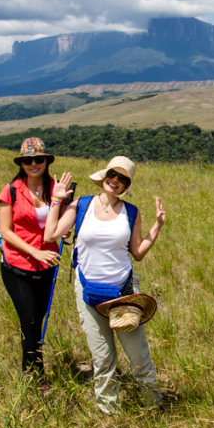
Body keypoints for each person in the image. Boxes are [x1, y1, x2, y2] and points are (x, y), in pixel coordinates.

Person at [45, 156, 166, 412]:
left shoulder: (131, 211)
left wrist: (157, 227)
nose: (116, 181)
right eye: (113, 174)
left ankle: (152, 403)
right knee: (102, 356)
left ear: (126, 186)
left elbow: (138, 252)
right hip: (87, 289)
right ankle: (108, 409)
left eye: (123, 179)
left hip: (123, 291)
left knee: (138, 354)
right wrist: (57, 200)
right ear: (105, 176)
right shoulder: (81, 205)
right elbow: (51, 234)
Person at [0, 137, 62, 381]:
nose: (34, 164)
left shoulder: (56, 188)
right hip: (17, 266)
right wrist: (34, 251)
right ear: (21, 164)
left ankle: (32, 372)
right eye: (28, 160)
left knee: (38, 319)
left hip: (46, 267)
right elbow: (6, 231)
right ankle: (35, 376)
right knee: (31, 322)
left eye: (39, 159)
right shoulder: (11, 190)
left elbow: (61, 221)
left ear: (46, 161)